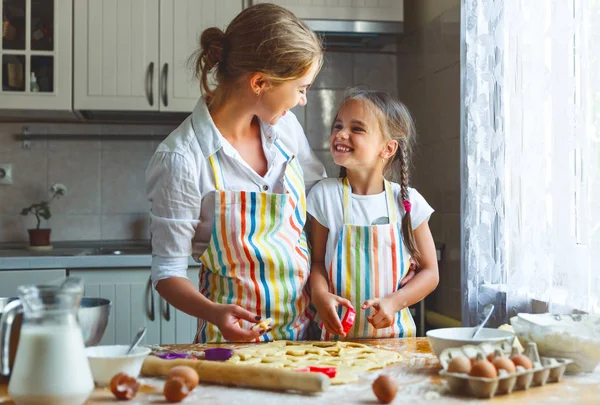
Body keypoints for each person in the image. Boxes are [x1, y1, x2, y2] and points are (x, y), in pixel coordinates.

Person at [145, 3, 326, 343]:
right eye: (301, 88)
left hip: (306, 338)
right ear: (260, 82)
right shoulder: (182, 159)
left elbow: (317, 204)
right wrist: (214, 313)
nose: (302, 100)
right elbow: (167, 273)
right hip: (230, 344)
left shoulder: (286, 129)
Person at [307, 88, 439, 339]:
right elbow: (317, 263)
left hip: (396, 339)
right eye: (338, 126)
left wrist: (395, 302)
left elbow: (430, 272)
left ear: (388, 149)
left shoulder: (407, 201)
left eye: (356, 129)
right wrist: (320, 295)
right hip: (335, 342)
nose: (341, 134)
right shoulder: (324, 195)